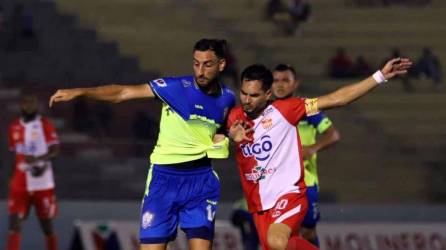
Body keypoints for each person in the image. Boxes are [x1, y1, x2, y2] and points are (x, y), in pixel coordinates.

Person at [49, 39, 236, 250]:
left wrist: (227, 136)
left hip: (201, 180)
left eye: (207, 64)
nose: (200, 71)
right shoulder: (175, 88)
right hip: (164, 180)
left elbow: (220, 131)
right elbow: (123, 93)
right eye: (196, 63)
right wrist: (81, 92)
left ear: (221, 65)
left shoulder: (228, 99)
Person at [227, 58, 411, 250]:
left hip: (289, 194)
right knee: (278, 245)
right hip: (258, 204)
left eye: (253, 95)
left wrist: (379, 76)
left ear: (267, 93)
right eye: (243, 93)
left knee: (277, 241)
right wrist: (231, 138)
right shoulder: (233, 117)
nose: (246, 100)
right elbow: (209, 142)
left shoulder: (287, 109)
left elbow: (336, 99)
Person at [272, 64, 340, 247]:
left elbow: (333, 135)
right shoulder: (267, 112)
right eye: (275, 80)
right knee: (279, 235)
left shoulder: (307, 109)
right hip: (277, 185)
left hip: (305, 183)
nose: (279, 85)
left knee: (307, 232)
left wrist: (312, 148)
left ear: (295, 84)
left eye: (285, 80)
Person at [7, 92, 60, 250]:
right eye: (26, 102)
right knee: (14, 223)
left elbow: (55, 149)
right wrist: (12, 176)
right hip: (20, 182)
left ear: (36, 105)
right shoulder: (14, 127)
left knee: (47, 226)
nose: (29, 105)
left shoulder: (44, 124)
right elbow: (15, 154)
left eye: (32, 102)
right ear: (21, 105)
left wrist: (38, 160)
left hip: (42, 182)